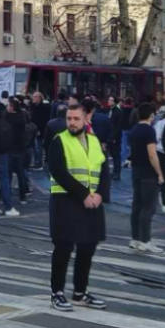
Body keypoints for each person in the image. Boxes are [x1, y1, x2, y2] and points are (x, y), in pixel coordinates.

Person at [47, 102, 109, 312]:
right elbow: (59, 171)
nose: (72, 123)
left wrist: (100, 194)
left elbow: (103, 169)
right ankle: (57, 293)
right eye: (69, 119)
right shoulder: (60, 141)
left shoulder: (94, 140)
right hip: (65, 200)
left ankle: (80, 293)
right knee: (63, 247)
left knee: (87, 247)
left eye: (76, 119)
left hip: (91, 202)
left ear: (86, 119)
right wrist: (83, 194)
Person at [128, 103, 164, 253]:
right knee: (149, 208)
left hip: (136, 171)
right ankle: (146, 240)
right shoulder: (149, 131)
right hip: (149, 173)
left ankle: (135, 238)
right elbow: (152, 154)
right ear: (151, 116)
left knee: (137, 206)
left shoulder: (134, 130)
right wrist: (159, 173)